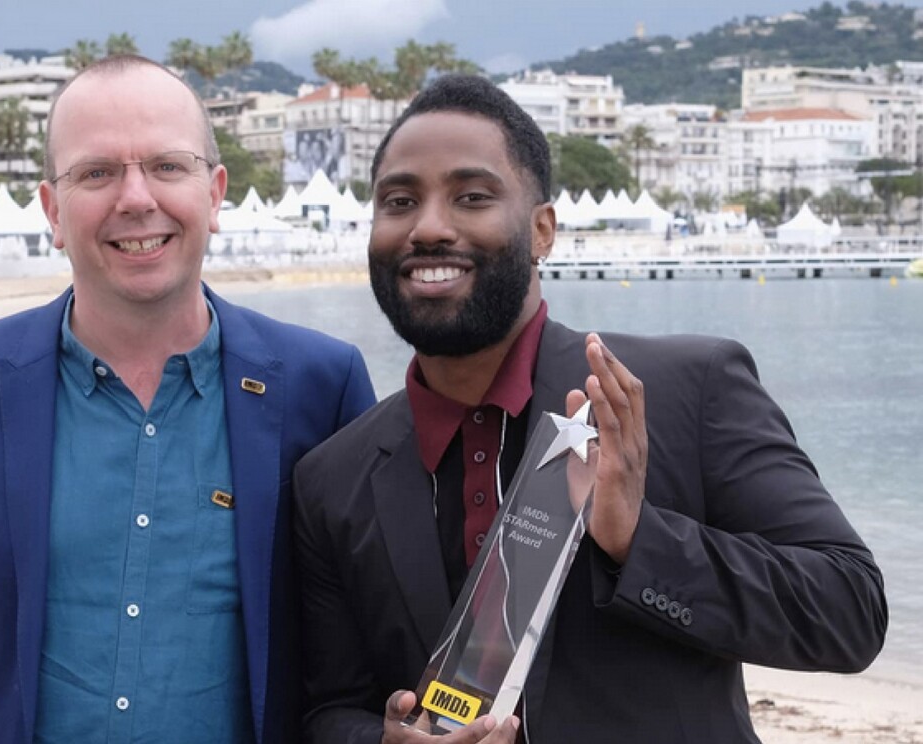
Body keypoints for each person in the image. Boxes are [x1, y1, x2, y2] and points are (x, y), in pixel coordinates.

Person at [292, 74, 887, 744]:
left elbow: (850, 613)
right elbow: (328, 708)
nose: (429, 226)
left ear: (542, 229)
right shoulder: (333, 479)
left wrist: (639, 541)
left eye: (472, 197)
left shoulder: (683, 389)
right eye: (399, 201)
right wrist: (379, 740)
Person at [0, 56, 378, 744]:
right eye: (97, 172)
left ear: (215, 192)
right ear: (53, 210)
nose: (136, 198)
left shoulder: (322, 387)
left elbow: (353, 666)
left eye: (168, 166)